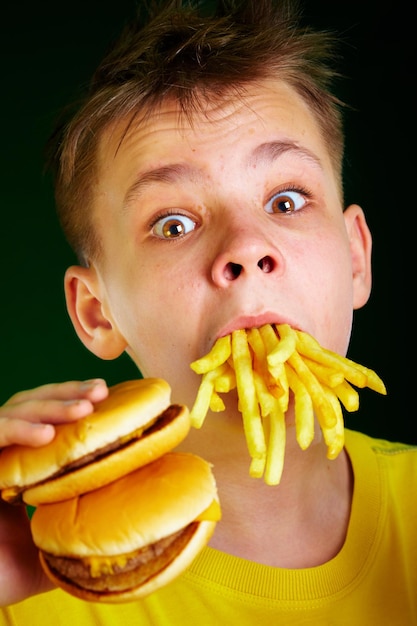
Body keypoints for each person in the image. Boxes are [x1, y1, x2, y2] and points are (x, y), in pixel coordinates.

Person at [0, 0, 416, 623]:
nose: (247, 249)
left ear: (357, 258)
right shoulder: (36, 585)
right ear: (96, 313)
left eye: (285, 199)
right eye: (173, 224)